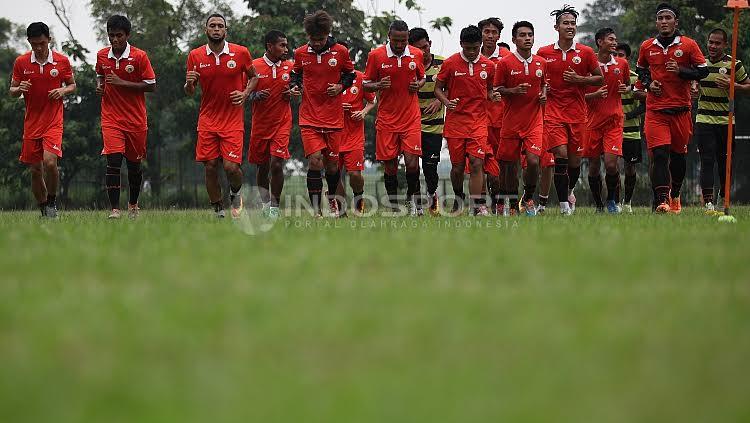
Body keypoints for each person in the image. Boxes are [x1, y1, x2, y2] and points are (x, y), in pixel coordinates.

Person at [636, 3, 707, 214]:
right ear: (656, 22)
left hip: (681, 111)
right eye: (660, 18)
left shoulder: (689, 45)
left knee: (678, 159)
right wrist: (649, 83)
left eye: (668, 18)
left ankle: (675, 195)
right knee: (659, 155)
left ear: (676, 22)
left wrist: (681, 71)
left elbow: (702, 71)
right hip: (656, 111)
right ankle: (661, 200)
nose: (664, 22)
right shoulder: (647, 46)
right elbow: (641, 69)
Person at [185, 13, 257, 218]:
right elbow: (189, 90)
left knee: (231, 167)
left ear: (226, 30)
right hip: (207, 119)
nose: (216, 29)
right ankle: (218, 209)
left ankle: (235, 194)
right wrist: (189, 83)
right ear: (206, 29)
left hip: (233, 120)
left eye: (220, 26)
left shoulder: (241, 53)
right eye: (212, 25)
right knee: (210, 166)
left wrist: (244, 94)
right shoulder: (195, 56)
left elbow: (254, 78)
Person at [537, 5, 603, 215]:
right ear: (557, 27)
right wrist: (543, 90)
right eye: (565, 23)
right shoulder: (544, 52)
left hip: (577, 114)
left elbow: (599, 77)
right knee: (561, 155)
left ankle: (570, 189)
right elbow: (538, 79)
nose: (570, 27)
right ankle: (564, 205)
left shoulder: (585, 52)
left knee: (574, 164)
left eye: (573, 23)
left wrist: (579, 79)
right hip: (554, 113)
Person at [289, 10, 355, 218]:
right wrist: (294, 87)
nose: (316, 43)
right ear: (308, 36)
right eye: (313, 39)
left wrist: (340, 87)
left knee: (332, 166)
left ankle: (336, 204)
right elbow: (295, 75)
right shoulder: (300, 53)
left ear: (328, 34)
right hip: (309, 117)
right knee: (315, 161)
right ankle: (316, 211)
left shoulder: (341, 52)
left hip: (334, 117)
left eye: (320, 39)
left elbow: (350, 75)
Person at [10, 22, 76, 219]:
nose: (38, 48)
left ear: (49, 40)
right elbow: (12, 91)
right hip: (31, 123)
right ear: (29, 42)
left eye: (42, 43)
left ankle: (52, 203)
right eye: (34, 44)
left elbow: (72, 85)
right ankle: (44, 211)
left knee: (49, 162)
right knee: (35, 171)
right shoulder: (21, 62)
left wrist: (62, 90)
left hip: (53, 120)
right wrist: (19, 89)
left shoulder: (61, 61)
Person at [95, 15, 156, 220]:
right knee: (113, 160)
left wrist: (122, 83)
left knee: (134, 166)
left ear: (127, 35)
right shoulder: (102, 55)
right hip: (111, 118)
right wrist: (100, 86)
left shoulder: (139, 57)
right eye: (111, 36)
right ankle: (114, 209)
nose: (115, 40)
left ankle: (133, 205)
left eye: (119, 36)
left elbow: (151, 85)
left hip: (136, 120)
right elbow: (100, 74)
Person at [364, 20, 425, 216]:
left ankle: (414, 203)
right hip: (387, 118)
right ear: (389, 37)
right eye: (396, 40)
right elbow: (366, 84)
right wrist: (378, 85)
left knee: (412, 162)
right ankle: (393, 205)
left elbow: (422, 77)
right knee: (389, 165)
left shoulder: (417, 54)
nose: (400, 45)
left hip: (411, 117)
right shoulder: (376, 55)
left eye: (404, 41)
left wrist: (419, 84)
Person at [434, 25, 496, 216]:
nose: (471, 52)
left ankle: (476, 206)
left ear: (480, 45)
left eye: (475, 48)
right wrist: (446, 102)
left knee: (477, 163)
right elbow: (438, 89)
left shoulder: (489, 66)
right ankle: (458, 196)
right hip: (455, 123)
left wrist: (493, 96)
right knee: (458, 167)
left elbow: (490, 90)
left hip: (478, 123)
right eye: (467, 48)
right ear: (461, 44)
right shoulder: (451, 63)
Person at [494, 21, 547, 217]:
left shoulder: (541, 62)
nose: (527, 38)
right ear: (514, 39)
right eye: (523, 35)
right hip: (511, 121)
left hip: (534, 120)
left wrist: (543, 94)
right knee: (509, 167)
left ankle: (528, 197)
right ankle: (511, 202)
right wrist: (513, 91)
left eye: (530, 35)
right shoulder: (505, 63)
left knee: (533, 161)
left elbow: (544, 85)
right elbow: (497, 89)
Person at [696, 28, 750, 214]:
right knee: (707, 159)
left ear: (725, 45)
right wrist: (693, 89)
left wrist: (733, 85)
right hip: (703, 118)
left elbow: (748, 86)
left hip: (726, 121)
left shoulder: (735, 64)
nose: (713, 46)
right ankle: (708, 203)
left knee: (724, 161)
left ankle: (722, 198)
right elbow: (692, 84)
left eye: (717, 43)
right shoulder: (700, 64)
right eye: (710, 42)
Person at [247, 30, 293, 220]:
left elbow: (300, 87)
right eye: (282, 45)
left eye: (286, 45)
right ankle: (265, 204)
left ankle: (274, 207)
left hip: (282, 122)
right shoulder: (253, 66)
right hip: (260, 125)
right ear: (269, 46)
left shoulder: (290, 67)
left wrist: (294, 92)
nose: (286, 49)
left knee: (276, 163)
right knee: (263, 166)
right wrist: (256, 95)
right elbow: (243, 93)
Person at [583, 28, 630, 214]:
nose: (614, 42)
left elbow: (626, 85)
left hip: (614, 122)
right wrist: (594, 94)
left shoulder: (622, 64)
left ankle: (612, 200)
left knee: (611, 165)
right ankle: (598, 205)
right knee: (594, 166)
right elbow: (578, 95)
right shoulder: (588, 65)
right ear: (600, 42)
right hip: (592, 123)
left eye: (615, 39)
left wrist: (625, 89)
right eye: (611, 39)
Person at [335, 42, 376, 217]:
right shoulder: (325, 77)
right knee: (334, 175)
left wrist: (363, 112)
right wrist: (336, 108)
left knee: (354, 174)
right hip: (332, 135)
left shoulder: (359, 78)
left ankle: (359, 198)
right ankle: (341, 210)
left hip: (354, 136)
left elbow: (372, 101)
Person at [409, 27, 444, 216]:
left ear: (430, 43)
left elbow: (454, 88)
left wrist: (440, 99)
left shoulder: (443, 63)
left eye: (425, 47)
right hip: (411, 125)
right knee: (412, 166)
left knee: (430, 168)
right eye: (418, 49)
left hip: (435, 125)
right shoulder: (409, 66)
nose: (423, 52)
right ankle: (417, 205)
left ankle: (432, 194)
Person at [479, 17, 508, 214]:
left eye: (494, 32)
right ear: (481, 34)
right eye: (486, 31)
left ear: (499, 36)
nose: (490, 35)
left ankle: (500, 202)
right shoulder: (472, 55)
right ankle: (480, 206)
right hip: (478, 120)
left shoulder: (506, 56)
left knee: (500, 170)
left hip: (503, 120)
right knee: (477, 163)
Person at [616, 42, 646, 214]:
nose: (617, 58)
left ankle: (627, 202)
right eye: (615, 55)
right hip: (611, 130)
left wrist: (628, 115)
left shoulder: (636, 78)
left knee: (629, 167)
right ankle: (614, 203)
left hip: (631, 131)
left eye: (621, 55)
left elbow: (645, 105)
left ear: (627, 59)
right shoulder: (604, 75)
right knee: (613, 167)